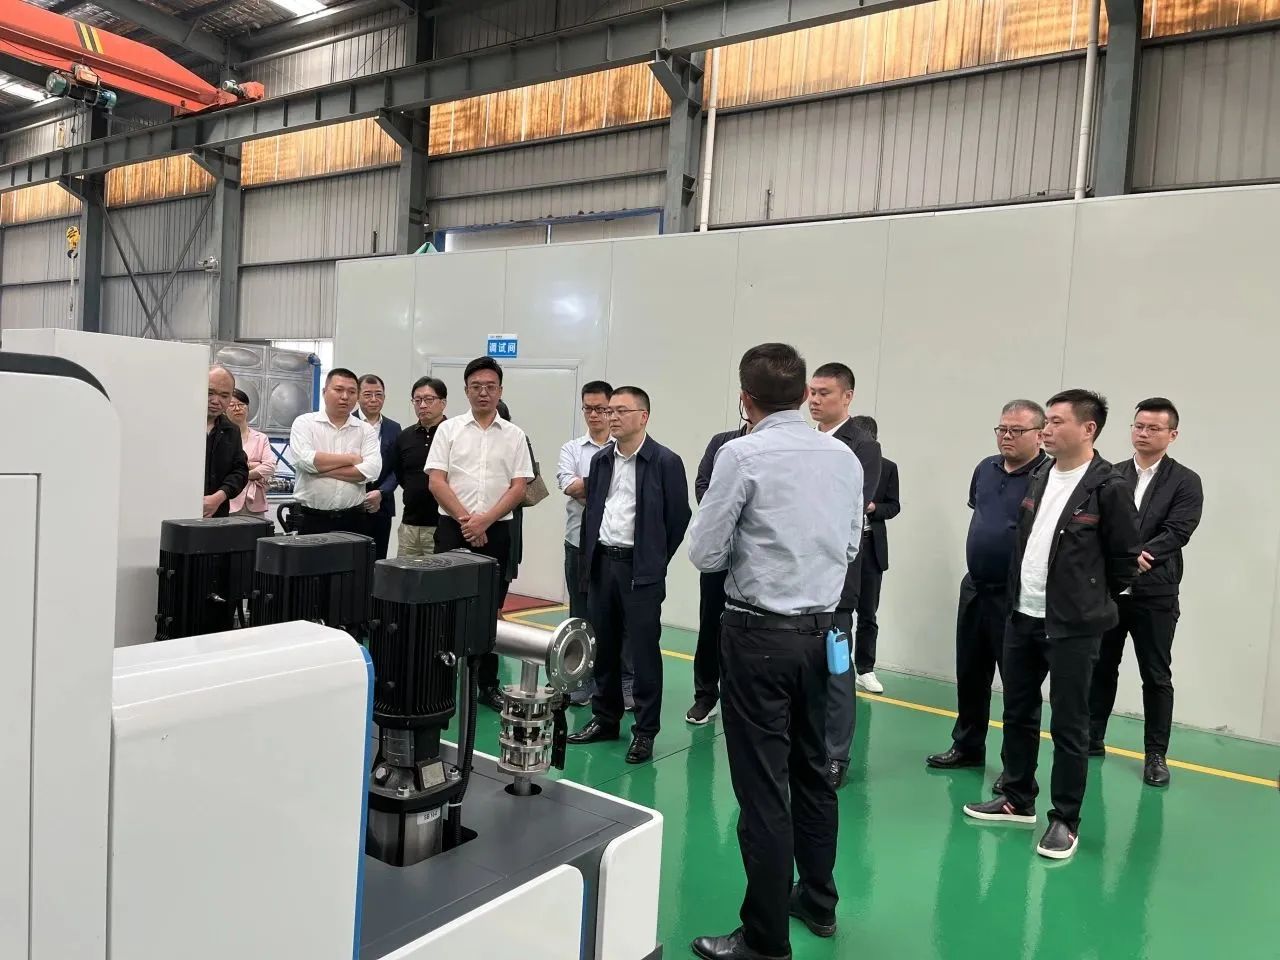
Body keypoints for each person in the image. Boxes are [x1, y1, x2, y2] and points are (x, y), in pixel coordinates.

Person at [687, 343, 862, 960]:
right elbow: (850, 547)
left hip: (759, 637)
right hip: (825, 634)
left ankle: (764, 940)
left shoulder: (741, 454)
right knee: (815, 772)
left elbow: (705, 553)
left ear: (746, 398)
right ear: (803, 394)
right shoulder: (843, 456)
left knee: (763, 789)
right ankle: (818, 899)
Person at [963, 389, 1139, 862]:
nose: (1047, 429)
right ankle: (1017, 798)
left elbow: (1125, 561)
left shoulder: (1109, 486)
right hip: (1023, 614)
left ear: (1088, 429)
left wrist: (1086, 598)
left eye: (1058, 421)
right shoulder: (1040, 475)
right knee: (1018, 711)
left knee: (1069, 723)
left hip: (1073, 625)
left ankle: (1065, 819)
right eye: (1047, 421)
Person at [567, 386, 690, 764]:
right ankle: (605, 718)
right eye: (610, 411)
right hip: (602, 564)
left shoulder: (665, 461)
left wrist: (654, 559)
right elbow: (593, 513)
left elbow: (678, 518)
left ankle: (645, 731)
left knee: (642, 652)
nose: (612, 417)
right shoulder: (601, 461)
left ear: (643, 416)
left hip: (640, 569)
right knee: (602, 646)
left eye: (622, 410)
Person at [927, 401, 1047, 785]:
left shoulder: (1046, 477)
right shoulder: (985, 468)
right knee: (971, 673)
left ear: (1040, 435)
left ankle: (1015, 769)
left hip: (1015, 597)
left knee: (1017, 686)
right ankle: (967, 745)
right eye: (1002, 429)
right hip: (976, 588)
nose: (1007, 436)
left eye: (1017, 430)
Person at [1088, 398, 1203, 788]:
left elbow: (1178, 531)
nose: (1143, 433)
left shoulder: (1185, 481)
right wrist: (1118, 562)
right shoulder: (1112, 474)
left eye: (1154, 428)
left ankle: (1156, 754)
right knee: (1102, 666)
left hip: (1156, 593)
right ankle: (1093, 737)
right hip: (1111, 591)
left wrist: (1136, 558)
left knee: (1156, 675)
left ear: (1172, 435)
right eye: (1138, 426)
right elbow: (1098, 524)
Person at [426, 357, 533, 710]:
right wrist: (467, 521)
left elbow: (519, 487)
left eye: (490, 386)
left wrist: (485, 521)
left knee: (489, 610)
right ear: (466, 390)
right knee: (444, 606)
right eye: (476, 387)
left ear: (500, 390)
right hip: (452, 529)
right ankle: (440, 682)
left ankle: (487, 684)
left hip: (497, 531)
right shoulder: (448, 430)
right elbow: (436, 481)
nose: (483, 392)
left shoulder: (515, 436)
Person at [808, 361, 881, 789]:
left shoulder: (864, 448)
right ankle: (804, 745)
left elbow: (847, 508)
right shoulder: (802, 440)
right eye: (812, 392)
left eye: (825, 393)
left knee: (837, 669)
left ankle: (836, 755)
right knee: (801, 670)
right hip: (797, 580)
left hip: (836, 580)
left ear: (847, 397)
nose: (815, 400)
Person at [685, 420, 748, 725]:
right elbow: (703, 484)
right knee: (711, 624)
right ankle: (706, 695)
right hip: (719, 552)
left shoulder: (779, 446)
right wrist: (725, 517)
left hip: (757, 558)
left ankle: (743, 698)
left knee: (753, 631)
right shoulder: (723, 442)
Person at [557, 380, 615, 707]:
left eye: (601, 409)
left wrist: (590, 486)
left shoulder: (623, 448)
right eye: (588, 408)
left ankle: (614, 680)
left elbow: (624, 493)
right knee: (579, 613)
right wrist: (608, 487)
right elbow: (571, 487)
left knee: (612, 615)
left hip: (612, 545)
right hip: (577, 542)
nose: (594, 415)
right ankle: (579, 679)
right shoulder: (572, 449)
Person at [287, 367, 382, 536]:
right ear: (324, 392)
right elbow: (304, 460)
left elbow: (371, 471)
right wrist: (351, 459)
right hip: (311, 518)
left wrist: (319, 471)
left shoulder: (365, 430)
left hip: (354, 519)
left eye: (351, 392)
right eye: (338, 390)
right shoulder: (304, 423)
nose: (345, 396)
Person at [849, 415, 900, 684]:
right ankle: (836, 667)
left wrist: (873, 508)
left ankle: (865, 669)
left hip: (870, 546)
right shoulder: (839, 462)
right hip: (841, 546)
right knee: (836, 611)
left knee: (868, 612)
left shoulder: (887, 467)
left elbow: (894, 505)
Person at [391, 376, 447, 558]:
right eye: (417, 400)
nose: (422, 405)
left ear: (443, 403)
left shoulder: (454, 433)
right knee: (405, 573)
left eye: (429, 399)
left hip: (443, 523)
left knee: (439, 573)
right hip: (410, 524)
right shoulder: (405, 436)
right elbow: (400, 474)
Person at [357, 374, 401, 560]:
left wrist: (382, 492)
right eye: (368, 394)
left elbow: (398, 468)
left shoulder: (394, 428)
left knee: (378, 558)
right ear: (357, 396)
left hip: (382, 504)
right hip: (352, 504)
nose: (374, 399)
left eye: (379, 394)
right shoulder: (348, 423)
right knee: (352, 557)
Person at [204, 365, 248, 519]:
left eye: (224, 396)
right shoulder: (178, 426)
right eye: (210, 393)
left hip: (217, 515)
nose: (216, 401)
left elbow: (240, 471)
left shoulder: (231, 430)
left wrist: (219, 497)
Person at [225, 388, 276, 518]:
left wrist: (239, 474)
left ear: (247, 408)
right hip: (228, 501)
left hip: (254, 503)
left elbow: (270, 466)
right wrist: (255, 466)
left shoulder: (261, 438)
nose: (237, 408)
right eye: (232, 405)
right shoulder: (222, 437)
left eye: (241, 404)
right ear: (225, 410)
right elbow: (222, 468)